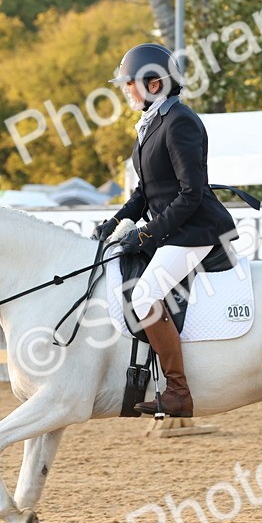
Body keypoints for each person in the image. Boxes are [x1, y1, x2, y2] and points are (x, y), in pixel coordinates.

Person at [91, 43, 238, 418]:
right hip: (174, 229)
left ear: (154, 84)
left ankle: (178, 391)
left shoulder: (179, 121)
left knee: (144, 296)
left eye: (130, 84)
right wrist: (117, 221)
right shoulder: (150, 123)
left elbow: (190, 194)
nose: (125, 89)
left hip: (197, 230)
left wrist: (148, 234)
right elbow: (145, 192)